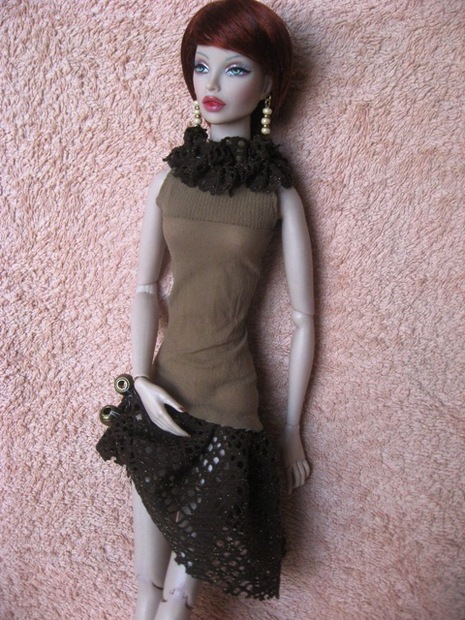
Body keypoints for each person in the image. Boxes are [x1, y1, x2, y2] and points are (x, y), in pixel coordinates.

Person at [97, 1, 314, 618]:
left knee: (179, 595)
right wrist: (141, 378)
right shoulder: (171, 179)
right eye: (201, 66)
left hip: (228, 410)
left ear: (269, 84)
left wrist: (292, 430)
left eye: (235, 68)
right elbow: (146, 289)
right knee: (146, 585)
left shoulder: (277, 191)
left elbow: (305, 320)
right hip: (162, 399)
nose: (211, 84)